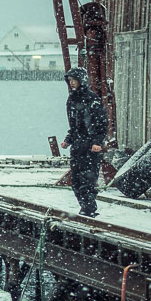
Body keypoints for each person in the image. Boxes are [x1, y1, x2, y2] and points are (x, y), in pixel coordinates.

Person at [61, 67, 108, 217]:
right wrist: (68, 139)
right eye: (70, 81)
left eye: (74, 80)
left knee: (87, 179)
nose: (72, 83)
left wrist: (97, 142)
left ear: (81, 80)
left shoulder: (92, 99)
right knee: (75, 180)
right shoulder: (71, 99)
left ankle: (89, 209)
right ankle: (84, 207)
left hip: (90, 146)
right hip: (77, 145)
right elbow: (75, 125)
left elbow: (101, 124)